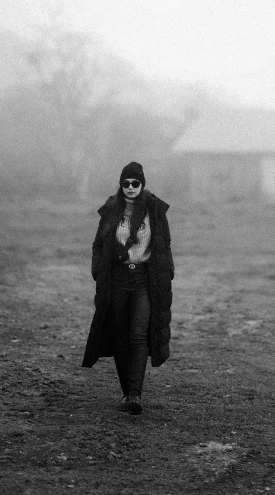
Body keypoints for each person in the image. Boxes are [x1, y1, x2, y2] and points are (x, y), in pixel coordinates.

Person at [82, 161, 174, 415]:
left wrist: (168, 273)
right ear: (121, 185)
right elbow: (98, 245)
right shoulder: (112, 211)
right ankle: (126, 392)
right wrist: (98, 272)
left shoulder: (154, 211)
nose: (131, 187)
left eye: (136, 183)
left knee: (137, 334)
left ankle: (135, 394)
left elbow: (164, 244)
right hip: (117, 281)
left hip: (144, 280)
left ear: (142, 185)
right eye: (126, 183)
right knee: (121, 337)